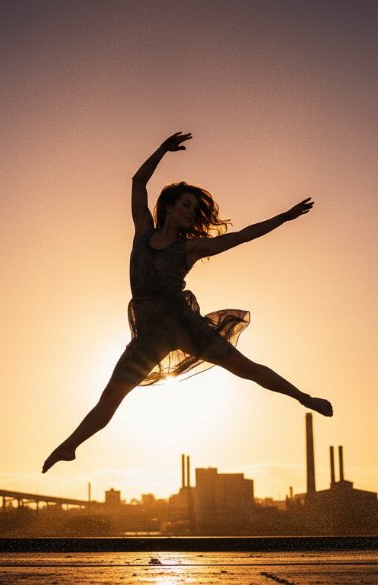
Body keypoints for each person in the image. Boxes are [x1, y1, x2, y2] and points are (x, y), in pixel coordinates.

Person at [42, 132, 332, 473]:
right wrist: (163, 149)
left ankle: (304, 398)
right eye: (186, 204)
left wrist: (283, 218)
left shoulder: (191, 248)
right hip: (150, 334)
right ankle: (69, 447)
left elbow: (242, 236)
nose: (192, 211)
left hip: (183, 325)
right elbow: (138, 181)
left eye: (195, 208)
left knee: (246, 369)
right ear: (168, 207)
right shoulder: (143, 231)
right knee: (111, 398)